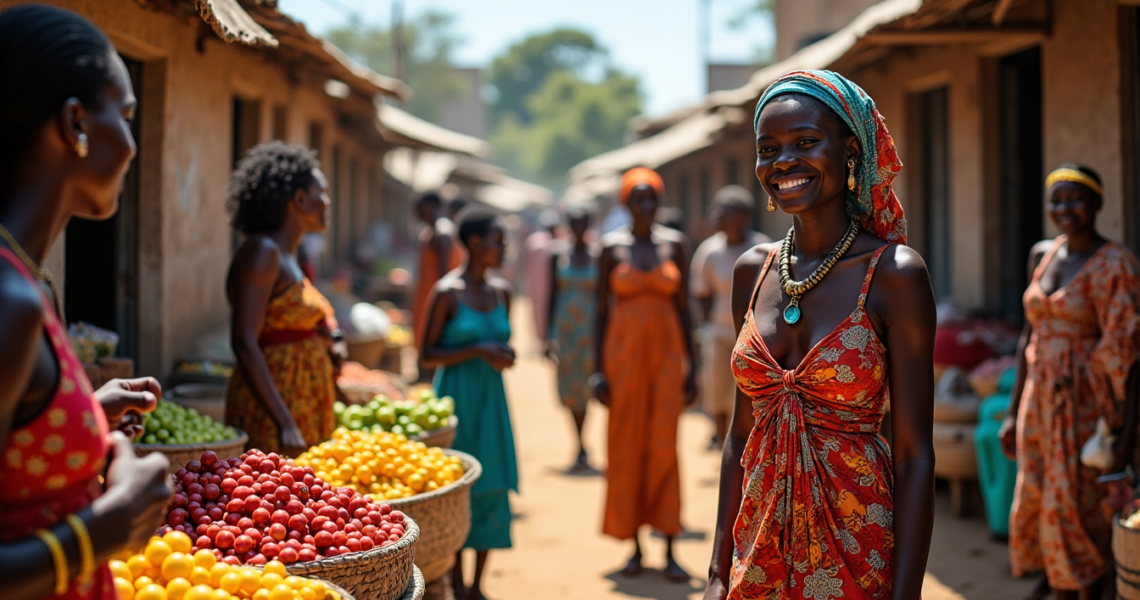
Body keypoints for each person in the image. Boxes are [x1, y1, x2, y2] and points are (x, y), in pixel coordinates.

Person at [704, 70, 936, 600]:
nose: (783, 161)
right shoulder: (752, 272)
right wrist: (719, 572)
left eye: (805, 142)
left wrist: (905, 596)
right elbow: (740, 436)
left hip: (858, 552)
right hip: (759, 553)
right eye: (769, 148)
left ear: (850, 151)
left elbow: (914, 453)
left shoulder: (894, 274)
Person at [0, 6, 173, 599]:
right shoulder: (9, 302)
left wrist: (83, 413)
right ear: (75, 123)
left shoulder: (28, 282)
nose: (130, 143)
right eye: (124, 116)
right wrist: (105, 529)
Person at [1000, 163, 1140, 600]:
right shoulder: (1042, 255)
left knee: (1080, 506)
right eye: (1056, 200)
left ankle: (1081, 587)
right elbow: (1029, 335)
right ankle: (1056, 578)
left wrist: (1127, 434)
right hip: (1038, 400)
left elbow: (1130, 355)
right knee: (1040, 493)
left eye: (1076, 198)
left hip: (1086, 404)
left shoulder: (1117, 265)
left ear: (1098, 203)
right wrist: (1011, 410)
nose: (1065, 208)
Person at [594, 167, 698, 582]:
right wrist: (599, 371)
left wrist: (693, 369)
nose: (645, 206)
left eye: (651, 198)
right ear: (626, 204)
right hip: (623, 361)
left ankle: (670, 543)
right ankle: (634, 546)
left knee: (664, 446)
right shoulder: (610, 249)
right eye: (638, 199)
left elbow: (685, 307)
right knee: (625, 447)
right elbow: (600, 314)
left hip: (667, 360)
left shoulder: (675, 245)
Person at [420, 210, 519, 600]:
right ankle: (456, 583)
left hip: (491, 401)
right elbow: (427, 353)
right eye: (499, 240)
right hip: (456, 399)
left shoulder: (502, 292)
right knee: (456, 485)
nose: (504, 247)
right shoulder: (447, 292)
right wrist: (478, 349)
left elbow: (502, 340)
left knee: (492, 484)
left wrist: (503, 355)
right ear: (475, 243)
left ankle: (477, 585)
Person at [223, 142, 346, 456]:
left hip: (303, 399)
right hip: (275, 405)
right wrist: (285, 422)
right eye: (323, 191)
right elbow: (244, 342)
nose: (328, 201)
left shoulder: (291, 254)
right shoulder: (262, 252)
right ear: (300, 199)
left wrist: (333, 338)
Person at [690, 186, 771, 448]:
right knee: (717, 391)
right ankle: (725, 443)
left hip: (755, 337)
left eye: (725, 212)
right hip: (721, 332)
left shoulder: (762, 248)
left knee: (750, 393)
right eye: (717, 211)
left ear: (743, 216)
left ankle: (750, 444)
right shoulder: (709, 251)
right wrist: (707, 326)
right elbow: (701, 292)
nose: (718, 217)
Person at [545, 208, 598, 470]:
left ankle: (582, 443)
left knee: (587, 389)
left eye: (582, 223)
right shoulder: (558, 256)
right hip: (566, 333)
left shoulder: (598, 256)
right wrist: (546, 336)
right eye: (574, 224)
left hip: (590, 333)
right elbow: (552, 296)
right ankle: (578, 442)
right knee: (569, 390)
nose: (578, 228)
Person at [413, 192, 464, 353]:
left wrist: (443, 305)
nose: (416, 213)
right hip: (428, 294)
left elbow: (445, 273)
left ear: (431, 206)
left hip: (434, 297)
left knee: (432, 339)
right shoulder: (434, 230)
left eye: (419, 208)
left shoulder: (442, 233)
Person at [525, 210, 560, 344]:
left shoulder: (559, 242)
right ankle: (542, 337)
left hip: (552, 282)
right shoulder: (535, 241)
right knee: (539, 308)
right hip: (537, 282)